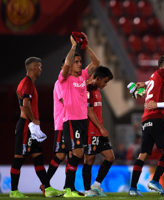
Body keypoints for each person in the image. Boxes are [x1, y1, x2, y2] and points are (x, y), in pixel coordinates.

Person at [11, 57, 63, 198]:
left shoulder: (26, 84)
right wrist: (33, 120)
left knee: (38, 157)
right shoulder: (27, 83)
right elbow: (26, 105)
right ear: (33, 67)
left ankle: (47, 188)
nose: (41, 69)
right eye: (39, 67)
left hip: (30, 126)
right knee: (19, 158)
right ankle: (14, 191)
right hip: (26, 126)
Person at [129, 55, 164, 196]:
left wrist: (143, 84)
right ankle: (155, 181)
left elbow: (149, 83)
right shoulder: (162, 72)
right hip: (157, 117)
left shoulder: (154, 78)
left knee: (143, 154)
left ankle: (132, 188)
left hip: (146, 118)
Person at [59, 33, 99, 197]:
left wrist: (86, 47)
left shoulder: (83, 75)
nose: (79, 64)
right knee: (77, 154)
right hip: (71, 120)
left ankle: (69, 188)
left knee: (77, 154)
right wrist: (74, 47)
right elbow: (67, 63)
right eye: (76, 62)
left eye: (80, 61)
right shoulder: (64, 77)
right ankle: (68, 188)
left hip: (82, 120)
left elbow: (96, 63)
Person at [82, 66, 114, 197]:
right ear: (98, 78)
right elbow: (89, 111)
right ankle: (87, 190)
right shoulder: (87, 88)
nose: (105, 84)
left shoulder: (96, 89)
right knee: (89, 159)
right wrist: (101, 128)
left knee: (110, 157)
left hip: (98, 130)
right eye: (105, 81)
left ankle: (96, 185)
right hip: (91, 130)